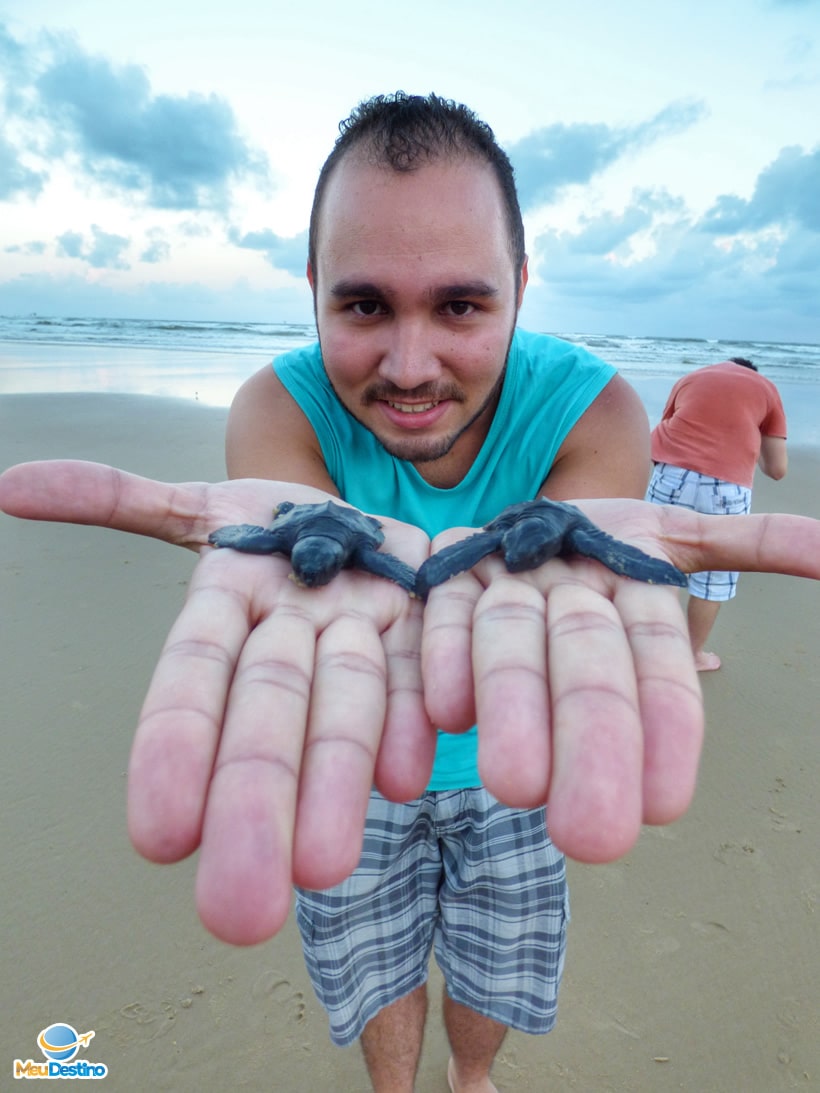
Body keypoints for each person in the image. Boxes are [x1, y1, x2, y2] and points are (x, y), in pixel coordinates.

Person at [1, 94, 819, 1092]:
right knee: (369, 957)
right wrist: (315, 534)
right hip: (348, 754)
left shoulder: (594, 407)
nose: (411, 363)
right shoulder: (277, 406)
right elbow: (296, 526)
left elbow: (571, 549)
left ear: (520, 287)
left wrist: (566, 571)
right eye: (363, 304)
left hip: (509, 769)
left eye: (461, 305)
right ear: (313, 288)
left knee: (498, 965)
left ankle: (467, 1077)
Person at [646, 357, 787, 672]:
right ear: (753, 372)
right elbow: (777, 469)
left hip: (670, 473)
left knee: (661, 559)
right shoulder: (766, 389)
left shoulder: (692, 378)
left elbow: (667, 426)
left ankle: (650, 646)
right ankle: (691, 656)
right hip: (726, 487)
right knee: (714, 575)